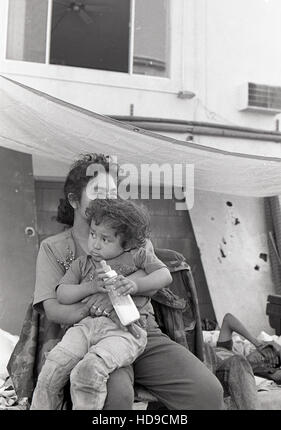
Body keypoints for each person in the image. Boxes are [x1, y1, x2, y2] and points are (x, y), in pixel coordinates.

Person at [12, 153, 224, 410]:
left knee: (207, 392)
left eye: (113, 192)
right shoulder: (54, 248)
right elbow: (52, 309)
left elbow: (156, 278)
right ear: (74, 200)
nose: (107, 198)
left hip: (141, 330)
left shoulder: (133, 238)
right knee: (114, 396)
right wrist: (93, 306)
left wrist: (116, 293)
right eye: (99, 191)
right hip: (89, 338)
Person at [31, 198, 172, 409]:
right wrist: (90, 287)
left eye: (105, 239)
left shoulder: (138, 256)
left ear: (127, 242)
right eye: (93, 235)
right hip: (85, 328)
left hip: (123, 331)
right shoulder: (83, 263)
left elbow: (164, 275)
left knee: (87, 372)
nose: (95, 244)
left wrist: (135, 285)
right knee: (51, 370)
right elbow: (62, 294)